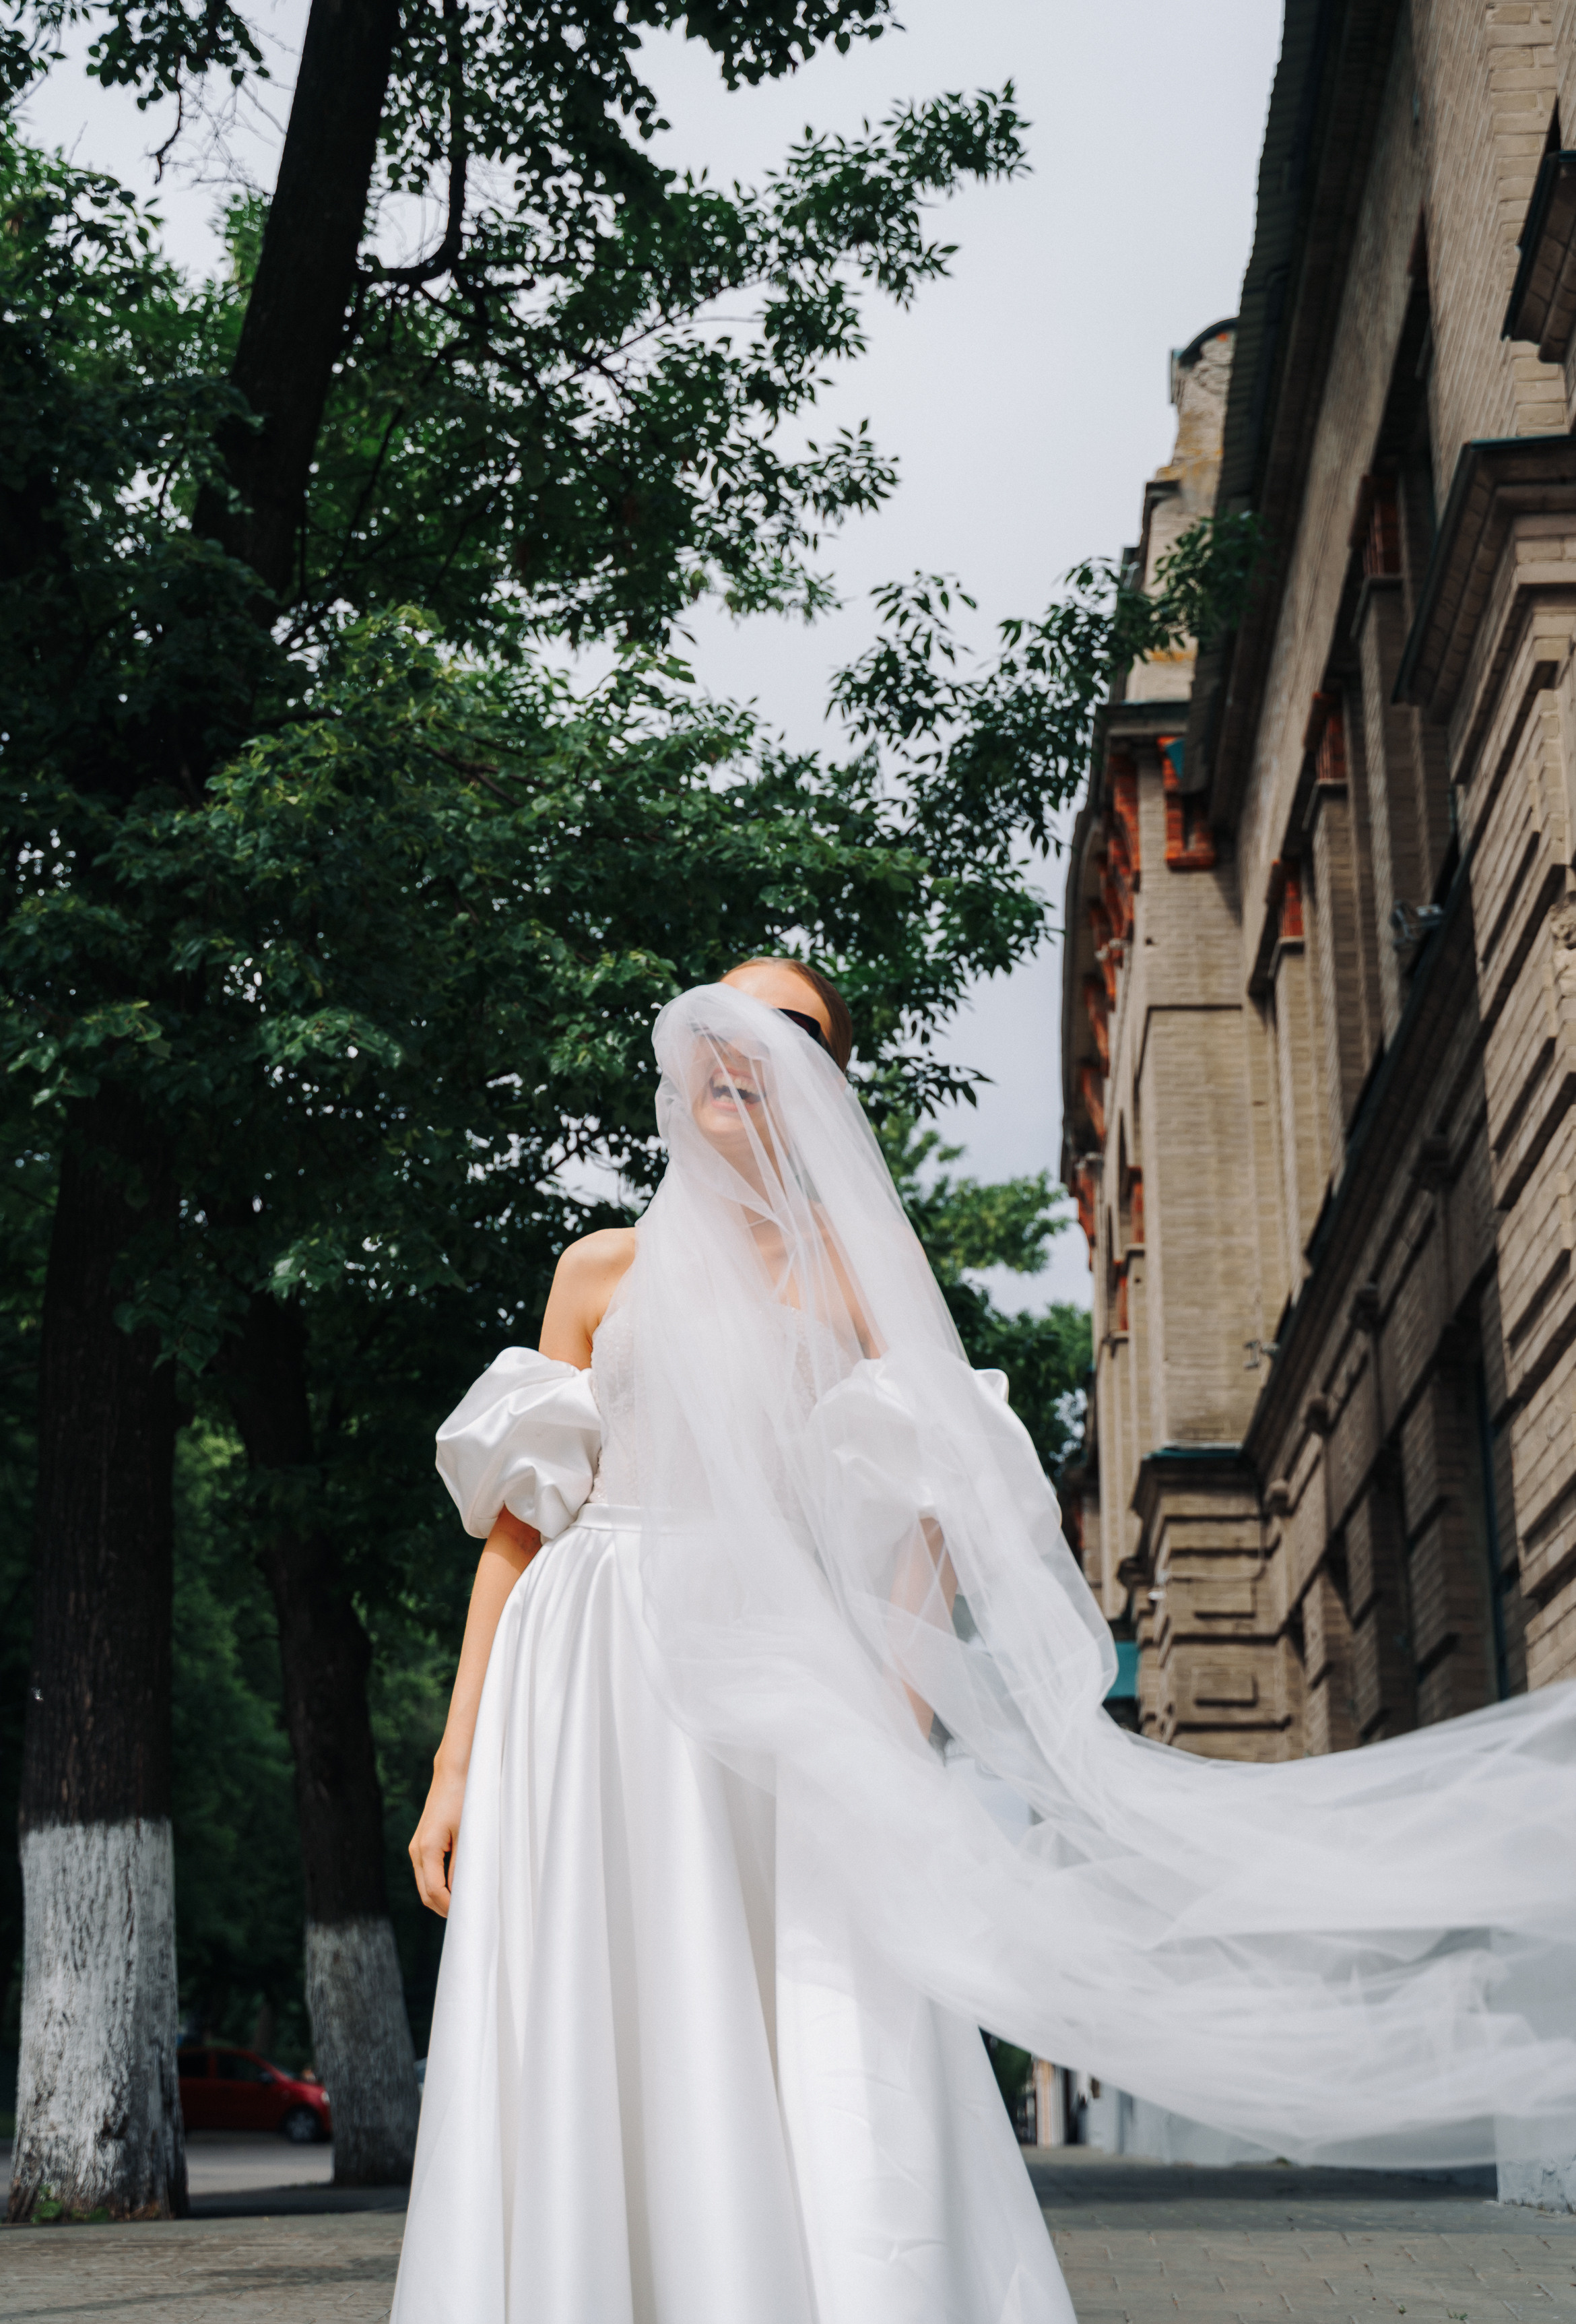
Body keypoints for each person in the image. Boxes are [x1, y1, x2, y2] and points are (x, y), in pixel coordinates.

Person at [392, 961, 1576, 2324]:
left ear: (826, 1081)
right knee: (596, 1995)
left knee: (792, 1994)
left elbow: (932, 1506)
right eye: (721, 1019)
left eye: (788, 1030)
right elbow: (521, 1528)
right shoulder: (600, 1271)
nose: (740, 1048)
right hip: (583, 1674)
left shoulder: (860, 1281)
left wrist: (893, 1729)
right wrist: (456, 1764)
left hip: (771, 1677)